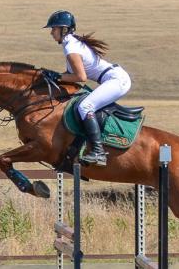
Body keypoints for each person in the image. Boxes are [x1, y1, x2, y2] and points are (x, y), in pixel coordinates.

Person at [43, 10, 132, 166]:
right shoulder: (70, 44)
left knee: (85, 106)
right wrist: (53, 76)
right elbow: (70, 75)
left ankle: (98, 152)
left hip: (117, 80)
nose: (51, 32)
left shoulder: (71, 47)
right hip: (112, 78)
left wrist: (56, 76)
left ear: (64, 29)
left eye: (54, 28)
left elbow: (80, 77)